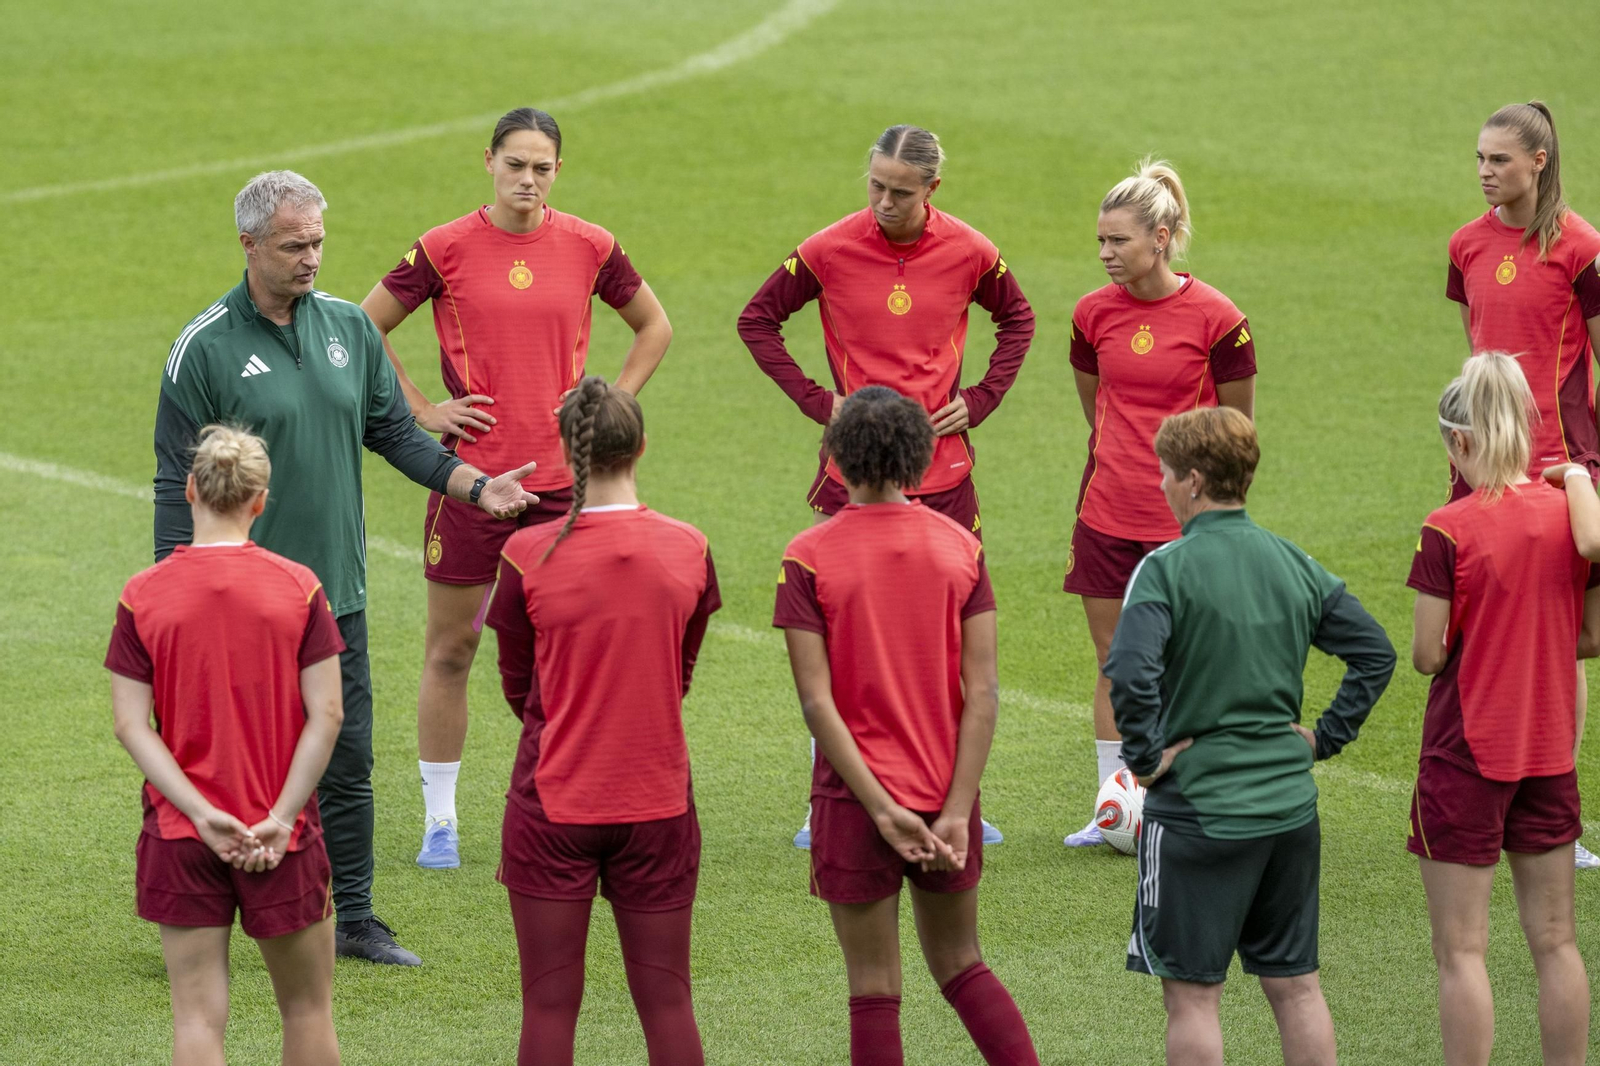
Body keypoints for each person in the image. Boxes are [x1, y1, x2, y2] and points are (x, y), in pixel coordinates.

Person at [153, 170, 538, 966]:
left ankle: (353, 916)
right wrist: (172, 593)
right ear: (249, 244)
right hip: (237, 600)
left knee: (347, 759)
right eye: (294, 245)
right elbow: (172, 483)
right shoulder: (204, 348)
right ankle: (206, 915)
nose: (311, 259)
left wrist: (475, 486)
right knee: (228, 760)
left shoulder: (349, 330)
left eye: (319, 243)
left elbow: (393, 432)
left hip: (335, 596)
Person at [360, 107, 672, 870]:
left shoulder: (591, 245)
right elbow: (365, 326)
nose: (528, 179)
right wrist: (422, 409)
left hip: (568, 488)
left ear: (558, 171)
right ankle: (440, 821)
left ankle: (568, 801)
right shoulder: (445, 247)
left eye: (542, 167)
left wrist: (610, 401)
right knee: (453, 649)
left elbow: (654, 326)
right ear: (489, 163)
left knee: (573, 650)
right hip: (471, 483)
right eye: (515, 165)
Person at [739, 124, 1034, 849]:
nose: (883, 202)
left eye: (901, 192)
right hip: (855, 476)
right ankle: (825, 801)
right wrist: (820, 403)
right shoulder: (828, 248)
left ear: (933, 189)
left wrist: (983, 397)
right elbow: (758, 320)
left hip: (944, 476)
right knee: (842, 641)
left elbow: (1018, 318)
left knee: (951, 643)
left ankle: (958, 799)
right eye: (875, 185)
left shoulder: (971, 251)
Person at [1105, 405, 1393, 1066]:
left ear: (1195, 481)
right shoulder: (1293, 563)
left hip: (1198, 813)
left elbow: (1129, 670)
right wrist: (1322, 739)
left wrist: (1145, 759)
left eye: (1166, 473)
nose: (1161, 485)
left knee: (1193, 999)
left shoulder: (1165, 569)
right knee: (1297, 988)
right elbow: (1375, 653)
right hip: (1290, 812)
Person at [774, 386, 1039, 1066]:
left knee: (872, 988)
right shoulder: (961, 548)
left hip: (853, 800)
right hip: (945, 792)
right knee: (962, 965)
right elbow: (983, 692)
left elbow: (816, 703)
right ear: (920, 458)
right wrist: (956, 812)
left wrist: (882, 810)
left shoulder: (807, 555)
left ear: (836, 457)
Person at [486, 376, 718, 1066]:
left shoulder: (526, 553)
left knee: (549, 1006)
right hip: (658, 800)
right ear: (642, 446)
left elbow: (517, 681)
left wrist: (566, 716)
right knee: (669, 1002)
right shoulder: (690, 547)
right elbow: (681, 670)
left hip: (554, 801)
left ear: (567, 452)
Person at [109, 426, 345, 1066]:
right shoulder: (299, 587)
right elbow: (327, 714)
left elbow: (131, 725)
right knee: (307, 1011)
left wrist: (200, 813)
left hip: (181, 833)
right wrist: (281, 818)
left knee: (196, 1021)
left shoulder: (142, 593)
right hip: (280, 837)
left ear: (190, 489)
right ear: (260, 501)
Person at [1063, 159, 1257, 849]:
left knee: (1191, 663)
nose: (1106, 253)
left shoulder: (1219, 320)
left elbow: (1237, 432)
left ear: (1162, 238)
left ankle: (1195, 804)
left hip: (1186, 525)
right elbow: (1097, 407)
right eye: (1101, 241)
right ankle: (1114, 807)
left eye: (1118, 240)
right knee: (1115, 661)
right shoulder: (1091, 314)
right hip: (1106, 513)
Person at [1409, 355, 1597, 1066]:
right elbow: (1592, 635)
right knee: (1556, 941)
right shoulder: (1570, 516)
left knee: (1462, 951)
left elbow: (1428, 654)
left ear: (1459, 441)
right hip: (1549, 752)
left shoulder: (1447, 527)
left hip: (1467, 752)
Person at [1445, 100, 1600, 868]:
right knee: (1473, 626)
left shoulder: (1582, 248)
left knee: (1564, 638)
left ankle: (1555, 817)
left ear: (1539, 162)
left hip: (1558, 467)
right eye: (1480, 158)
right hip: (1477, 466)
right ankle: (1479, 789)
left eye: (1499, 160)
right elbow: (1477, 349)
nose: (1485, 171)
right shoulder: (1466, 244)